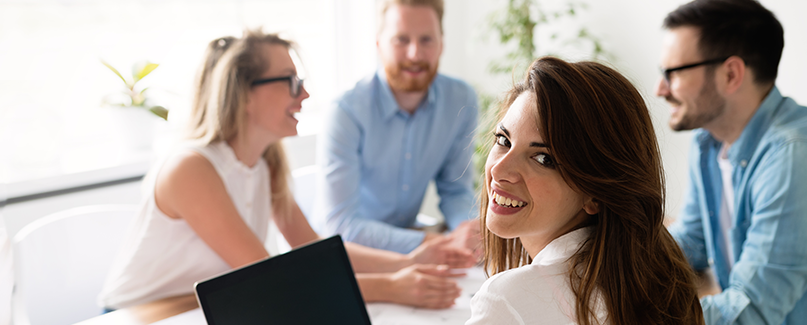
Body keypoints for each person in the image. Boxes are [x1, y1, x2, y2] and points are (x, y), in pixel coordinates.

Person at [98, 30, 469, 312]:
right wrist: (393, 284)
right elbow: (272, 279)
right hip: (141, 315)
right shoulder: (190, 168)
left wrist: (407, 263)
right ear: (244, 93)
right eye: (291, 81)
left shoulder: (267, 163)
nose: (304, 95)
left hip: (205, 309)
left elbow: (315, 252)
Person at [466, 57, 704, 325]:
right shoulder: (659, 278)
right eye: (503, 140)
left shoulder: (508, 299)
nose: (499, 170)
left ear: (595, 194)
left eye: (543, 158)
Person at [657, 0, 807, 323]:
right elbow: (692, 241)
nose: (660, 89)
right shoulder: (707, 143)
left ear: (731, 74)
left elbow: (753, 309)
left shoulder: (793, 155)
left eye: (673, 73)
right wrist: (608, 258)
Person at [314, 0, 481, 257]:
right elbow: (341, 225)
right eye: (401, 40)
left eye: (426, 40)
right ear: (379, 44)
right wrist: (432, 242)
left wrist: (466, 232)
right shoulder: (345, 111)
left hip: (411, 242)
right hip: (348, 256)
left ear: (441, 44)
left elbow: (456, 189)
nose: (415, 54)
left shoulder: (461, 100)